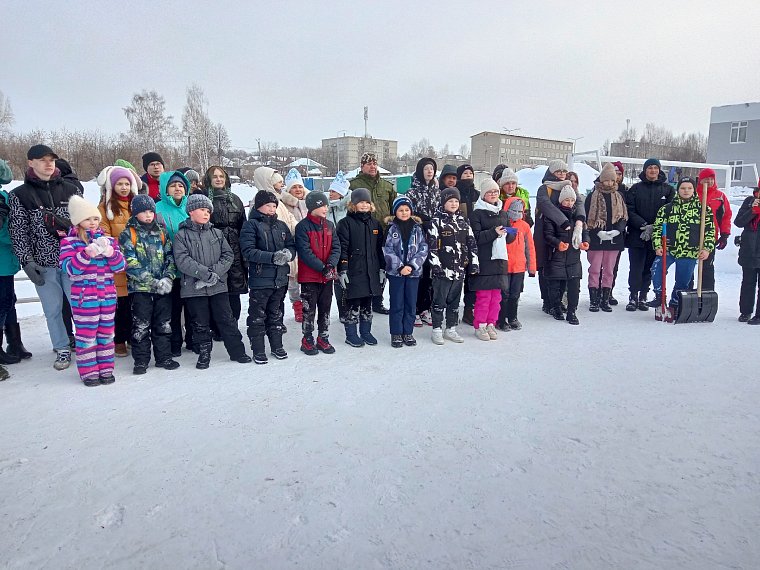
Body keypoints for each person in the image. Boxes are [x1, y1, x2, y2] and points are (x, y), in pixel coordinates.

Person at [8, 144, 80, 370]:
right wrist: (27, 261)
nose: (48, 164)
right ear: (31, 162)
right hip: (43, 263)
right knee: (52, 310)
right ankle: (61, 348)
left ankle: (88, 345)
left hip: (73, 262)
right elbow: (19, 231)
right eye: (42, 160)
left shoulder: (70, 189)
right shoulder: (19, 195)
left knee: (80, 306)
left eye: (51, 159)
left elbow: (84, 223)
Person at [173, 194, 252, 369]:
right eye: (202, 209)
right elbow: (182, 260)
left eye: (208, 210)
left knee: (227, 320)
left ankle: (237, 351)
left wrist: (215, 273)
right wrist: (203, 274)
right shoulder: (181, 235)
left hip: (218, 286)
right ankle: (204, 354)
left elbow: (228, 254)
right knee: (200, 323)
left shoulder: (216, 233)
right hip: (194, 289)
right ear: (191, 211)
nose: (206, 213)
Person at [59, 195, 126, 386]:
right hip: (84, 299)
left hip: (107, 296)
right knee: (87, 335)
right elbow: (69, 269)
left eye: (95, 218)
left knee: (106, 334)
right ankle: (88, 371)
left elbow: (120, 266)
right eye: (88, 219)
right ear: (78, 221)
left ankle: (106, 369)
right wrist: (86, 254)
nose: (93, 223)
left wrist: (110, 253)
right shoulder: (69, 242)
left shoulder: (108, 241)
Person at [118, 195, 179, 375]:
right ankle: (141, 360)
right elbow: (129, 263)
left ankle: (163, 357)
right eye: (144, 211)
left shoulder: (162, 231)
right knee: (141, 326)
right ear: (135, 213)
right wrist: (151, 282)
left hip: (163, 289)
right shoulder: (128, 233)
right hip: (141, 290)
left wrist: (168, 278)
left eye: (151, 211)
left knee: (163, 324)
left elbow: (170, 257)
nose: (148, 215)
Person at [240, 190, 296, 364]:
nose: (272, 209)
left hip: (280, 279)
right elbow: (248, 251)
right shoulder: (251, 225)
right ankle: (258, 349)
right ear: (259, 207)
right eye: (268, 205)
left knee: (276, 314)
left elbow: (291, 245)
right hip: (260, 279)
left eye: (274, 206)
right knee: (257, 316)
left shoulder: (281, 226)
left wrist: (288, 253)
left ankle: (277, 346)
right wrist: (271, 257)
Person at [649, 177, 715, 313]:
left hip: (689, 251)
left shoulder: (703, 210)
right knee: (656, 270)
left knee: (682, 281)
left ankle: (675, 304)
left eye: (689, 188)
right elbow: (657, 229)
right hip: (668, 249)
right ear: (678, 190)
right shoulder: (667, 209)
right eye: (683, 188)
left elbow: (709, 231)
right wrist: (657, 245)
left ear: (694, 190)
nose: (686, 191)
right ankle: (659, 295)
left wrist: (707, 248)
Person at [534, 159, 587, 313]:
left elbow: (579, 204)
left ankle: (558, 300)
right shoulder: (544, 189)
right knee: (545, 265)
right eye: (558, 171)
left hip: (566, 232)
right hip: (545, 231)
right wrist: (563, 221)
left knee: (562, 265)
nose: (562, 174)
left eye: (564, 171)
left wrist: (580, 220)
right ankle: (547, 300)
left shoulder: (568, 186)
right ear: (551, 172)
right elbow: (546, 206)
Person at [96, 165, 139, 357]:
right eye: (119, 183)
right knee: (120, 305)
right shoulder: (105, 207)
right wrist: (122, 246)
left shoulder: (136, 205)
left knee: (135, 303)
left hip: (138, 261)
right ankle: (119, 340)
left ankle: (132, 336)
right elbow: (102, 233)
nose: (123, 187)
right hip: (117, 263)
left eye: (127, 183)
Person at [427, 187, 478, 345]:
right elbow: (432, 246)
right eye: (450, 201)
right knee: (439, 301)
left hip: (459, 270)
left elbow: (472, 243)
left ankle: (451, 328)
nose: (454, 204)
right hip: (443, 270)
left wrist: (474, 262)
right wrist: (435, 265)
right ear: (443, 203)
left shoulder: (463, 221)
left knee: (454, 301)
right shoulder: (437, 221)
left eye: (456, 201)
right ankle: (436, 329)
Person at [202, 166, 248, 337]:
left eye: (221, 176)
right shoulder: (204, 199)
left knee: (234, 292)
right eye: (215, 177)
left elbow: (244, 226)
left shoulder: (235, 200)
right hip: (212, 249)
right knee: (215, 291)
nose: (219, 179)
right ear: (208, 180)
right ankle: (216, 328)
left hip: (235, 251)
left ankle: (232, 325)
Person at [336, 188, 386, 347]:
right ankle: (351, 334)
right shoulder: (346, 223)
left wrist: (382, 268)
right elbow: (342, 247)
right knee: (353, 303)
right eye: (360, 202)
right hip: (354, 270)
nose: (364, 205)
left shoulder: (375, 223)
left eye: (366, 202)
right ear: (353, 205)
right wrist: (342, 268)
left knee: (367, 304)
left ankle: (366, 332)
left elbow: (380, 248)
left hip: (371, 270)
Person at [625, 158, 674, 311]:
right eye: (649, 168)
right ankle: (633, 295)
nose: (652, 170)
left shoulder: (667, 190)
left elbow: (671, 211)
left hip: (658, 236)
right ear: (645, 170)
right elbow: (629, 210)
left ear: (659, 170)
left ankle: (643, 296)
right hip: (637, 234)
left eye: (655, 168)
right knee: (636, 267)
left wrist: (656, 227)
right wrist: (643, 225)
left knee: (649, 267)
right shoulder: (635, 189)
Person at [470, 178, 516, 340]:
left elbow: (510, 238)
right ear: (483, 195)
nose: (493, 194)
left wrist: (509, 234)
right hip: (484, 260)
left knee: (496, 297)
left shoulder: (503, 213)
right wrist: (494, 232)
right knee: (484, 297)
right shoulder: (477, 213)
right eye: (490, 192)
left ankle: (491, 323)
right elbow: (475, 237)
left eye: (496, 191)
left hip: (500, 261)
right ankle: (480, 325)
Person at [349, 152, 396, 314]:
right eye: (368, 163)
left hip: (384, 234)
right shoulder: (354, 185)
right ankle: (363, 301)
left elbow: (394, 208)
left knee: (383, 267)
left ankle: (378, 301)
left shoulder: (387, 186)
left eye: (374, 163)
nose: (372, 166)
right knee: (365, 268)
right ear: (362, 166)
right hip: (362, 233)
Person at [295, 191, 340, 355]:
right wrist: (322, 267)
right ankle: (307, 339)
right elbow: (305, 252)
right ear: (313, 207)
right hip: (310, 277)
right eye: (322, 205)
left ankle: (323, 337)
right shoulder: (303, 227)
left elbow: (336, 247)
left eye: (326, 205)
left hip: (327, 277)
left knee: (325, 308)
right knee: (309, 309)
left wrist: (331, 265)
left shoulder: (330, 225)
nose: (326, 208)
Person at [155, 170, 193, 356]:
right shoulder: (158, 209)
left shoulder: (190, 206)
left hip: (191, 267)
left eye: (181, 185)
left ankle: (193, 340)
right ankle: (175, 342)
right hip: (169, 267)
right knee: (174, 308)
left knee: (193, 307)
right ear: (165, 189)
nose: (177, 188)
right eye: (173, 185)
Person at [383, 196, 429, 348]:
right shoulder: (391, 228)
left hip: (413, 273)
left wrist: (412, 265)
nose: (404, 213)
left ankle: (407, 332)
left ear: (411, 211)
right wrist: (400, 267)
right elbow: (387, 249)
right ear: (395, 211)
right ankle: (396, 332)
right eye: (400, 210)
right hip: (396, 273)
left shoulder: (417, 228)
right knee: (397, 303)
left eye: (407, 210)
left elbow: (423, 248)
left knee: (410, 303)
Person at [543, 186, 590, 325]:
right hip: (557, 256)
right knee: (556, 285)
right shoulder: (553, 215)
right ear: (561, 200)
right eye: (566, 200)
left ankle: (572, 311)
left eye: (571, 200)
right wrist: (558, 243)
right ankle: (556, 307)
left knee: (575, 285)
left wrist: (585, 242)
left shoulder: (578, 217)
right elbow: (548, 235)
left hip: (573, 256)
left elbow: (585, 232)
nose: (569, 203)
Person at [585, 163, 627, 313]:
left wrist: (617, 230)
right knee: (595, 269)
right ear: (601, 180)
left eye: (611, 180)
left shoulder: (619, 196)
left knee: (609, 270)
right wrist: (597, 231)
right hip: (596, 239)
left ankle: (605, 299)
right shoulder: (593, 196)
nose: (609, 183)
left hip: (615, 239)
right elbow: (587, 217)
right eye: (606, 180)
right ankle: (593, 299)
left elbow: (623, 216)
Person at [0, 160, 28, 380]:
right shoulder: (2, 199)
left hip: (5, 262)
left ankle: (14, 344)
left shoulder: (3, 196)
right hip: (1, 260)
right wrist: (21, 238)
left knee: (8, 301)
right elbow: (5, 232)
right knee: (2, 303)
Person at [406, 157, 439, 327]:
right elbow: (408, 214)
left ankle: (426, 307)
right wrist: (424, 221)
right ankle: (415, 309)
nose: (429, 171)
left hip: (433, 237)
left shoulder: (436, 191)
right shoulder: (412, 192)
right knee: (417, 273)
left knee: (430, 274)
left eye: (432, 168)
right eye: (426, 168)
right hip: (418, 237)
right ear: (420, 170)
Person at [499, 196, 536, 330]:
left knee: (515, 294)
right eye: (514, 210)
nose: (517, 214)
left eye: (520, 211)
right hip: (505, 266)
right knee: (504, 294)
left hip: (519, 267)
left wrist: (532, 267)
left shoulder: (524, 226)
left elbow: (530, 247)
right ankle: (501, 319)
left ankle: (513, 317)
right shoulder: (502, 224)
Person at [693, 168, 732, 291]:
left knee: (707, 268)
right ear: (700, 180)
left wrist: (725, 234)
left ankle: (706, 294)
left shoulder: (720, 196)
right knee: (688, 267)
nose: (709, 181)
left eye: (711, 178)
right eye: (706, 178)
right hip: (691, 236)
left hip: (710, 237)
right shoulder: (692, 194)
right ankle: (686, 295)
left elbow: (726, 216)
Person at [281, 168, 309, 323]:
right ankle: (297, 306)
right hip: (293, 245)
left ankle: (307, 304)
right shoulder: (284, 204)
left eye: (299, 186)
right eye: (294, 187)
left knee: (307, 277)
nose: (297, 190)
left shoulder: (309, 202)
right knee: (293, 278)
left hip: (309, 246)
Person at [456, 163, 479, 325]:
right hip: (458, 241)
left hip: (476, 241)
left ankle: (469, 310)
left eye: (470, 173)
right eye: (465, 173)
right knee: (457, 277)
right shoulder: (455, 194)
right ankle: (453, 310)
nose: (468, 175)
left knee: (473, 277)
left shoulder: (477, 194)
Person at [734, 182, 760, 323]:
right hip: (749, 248)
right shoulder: (749, 201)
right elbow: (739, 222)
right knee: (748, 282)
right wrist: (753, 210)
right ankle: (745, 311)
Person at [328, 171, 352, 323]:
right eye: (330, 190)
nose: (330, 194)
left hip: (350, 250)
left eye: (334, 191)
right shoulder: (328, 209)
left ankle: (352, 308)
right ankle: (342, 310)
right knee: (338, 281)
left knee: (350, 280)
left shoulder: (349, 208)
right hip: (334, 250)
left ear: (342, 193)